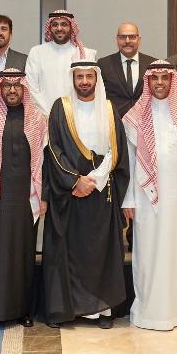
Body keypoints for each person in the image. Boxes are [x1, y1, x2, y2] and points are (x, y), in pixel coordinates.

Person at [121, 61, 177, 330]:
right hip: (146, 198)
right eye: (155, 78)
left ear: (173, 81)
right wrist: (129, 199)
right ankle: (149, 312)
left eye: (164, 78)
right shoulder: (135, 117)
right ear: (148, 82)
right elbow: (129, 162)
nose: (159, 83)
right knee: (149, 252)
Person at [42, 61, 130, 328]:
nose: (84, 81)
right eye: (79, 76)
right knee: (70, 252)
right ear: (73, 79)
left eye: (88, 76)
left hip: (102, 194)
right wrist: (75, 181)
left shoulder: (109, 108)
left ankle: (103, 310)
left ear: (96, 79)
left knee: (101, 252)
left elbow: (117, 149)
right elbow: (53, 149)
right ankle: (69, 310)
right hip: (70, 194)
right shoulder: (61, 108)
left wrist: (96, 179)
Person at [0, 68, 48, 327]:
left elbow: (46, 163)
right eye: (7, 85)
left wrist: (44, 197)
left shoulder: (37, 119)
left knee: (22, 255)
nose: (12, 90)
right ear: (0, 88)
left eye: (17, 85)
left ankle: (22, 310)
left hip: (25, 199)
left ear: (24, 88)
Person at [25, 9, 97, 113]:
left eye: (64, 24)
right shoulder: (36, 52)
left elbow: (89, 88)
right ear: (50, 28)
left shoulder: (85, 54)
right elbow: (31, 88)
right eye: (55, 25)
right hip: (43, 114)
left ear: (71, 27)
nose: (59, 28)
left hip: (77, 114)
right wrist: (48, 114)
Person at [98, 22, 155, 119]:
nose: (127, 41)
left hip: (145, 121)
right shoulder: (103, 64)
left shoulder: (152, 64)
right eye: (123, 37)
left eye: (132, 37)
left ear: (139, 39)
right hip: (114, 121)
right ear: (117, 39)